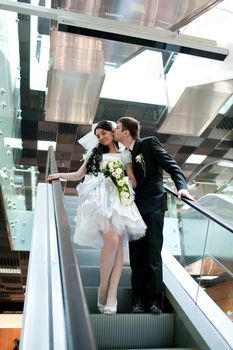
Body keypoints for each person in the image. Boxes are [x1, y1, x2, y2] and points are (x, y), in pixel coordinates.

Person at [48, 120, 146, 315]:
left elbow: (133, 181)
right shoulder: (94, 154)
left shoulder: (125, 154)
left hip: (118, 198)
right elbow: (78, 174)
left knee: (118, 245)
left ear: (113, 132)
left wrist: (120, 179)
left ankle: (111, 295)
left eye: (104, 133)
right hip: (98, 198)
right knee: (112, 240)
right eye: (99, 135)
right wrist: (58, 175)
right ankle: (103, 287)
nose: (101, 137)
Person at [114, 116, 195, 314]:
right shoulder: (123, 155)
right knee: (136, 258)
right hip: (133, 211)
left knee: (152, 256)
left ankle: (155, 302)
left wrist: (182, 188)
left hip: (154, 207)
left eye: (117, 127)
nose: (114, 130)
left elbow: (171, 165)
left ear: (126, 132)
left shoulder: (149, 144)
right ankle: (138, 301)